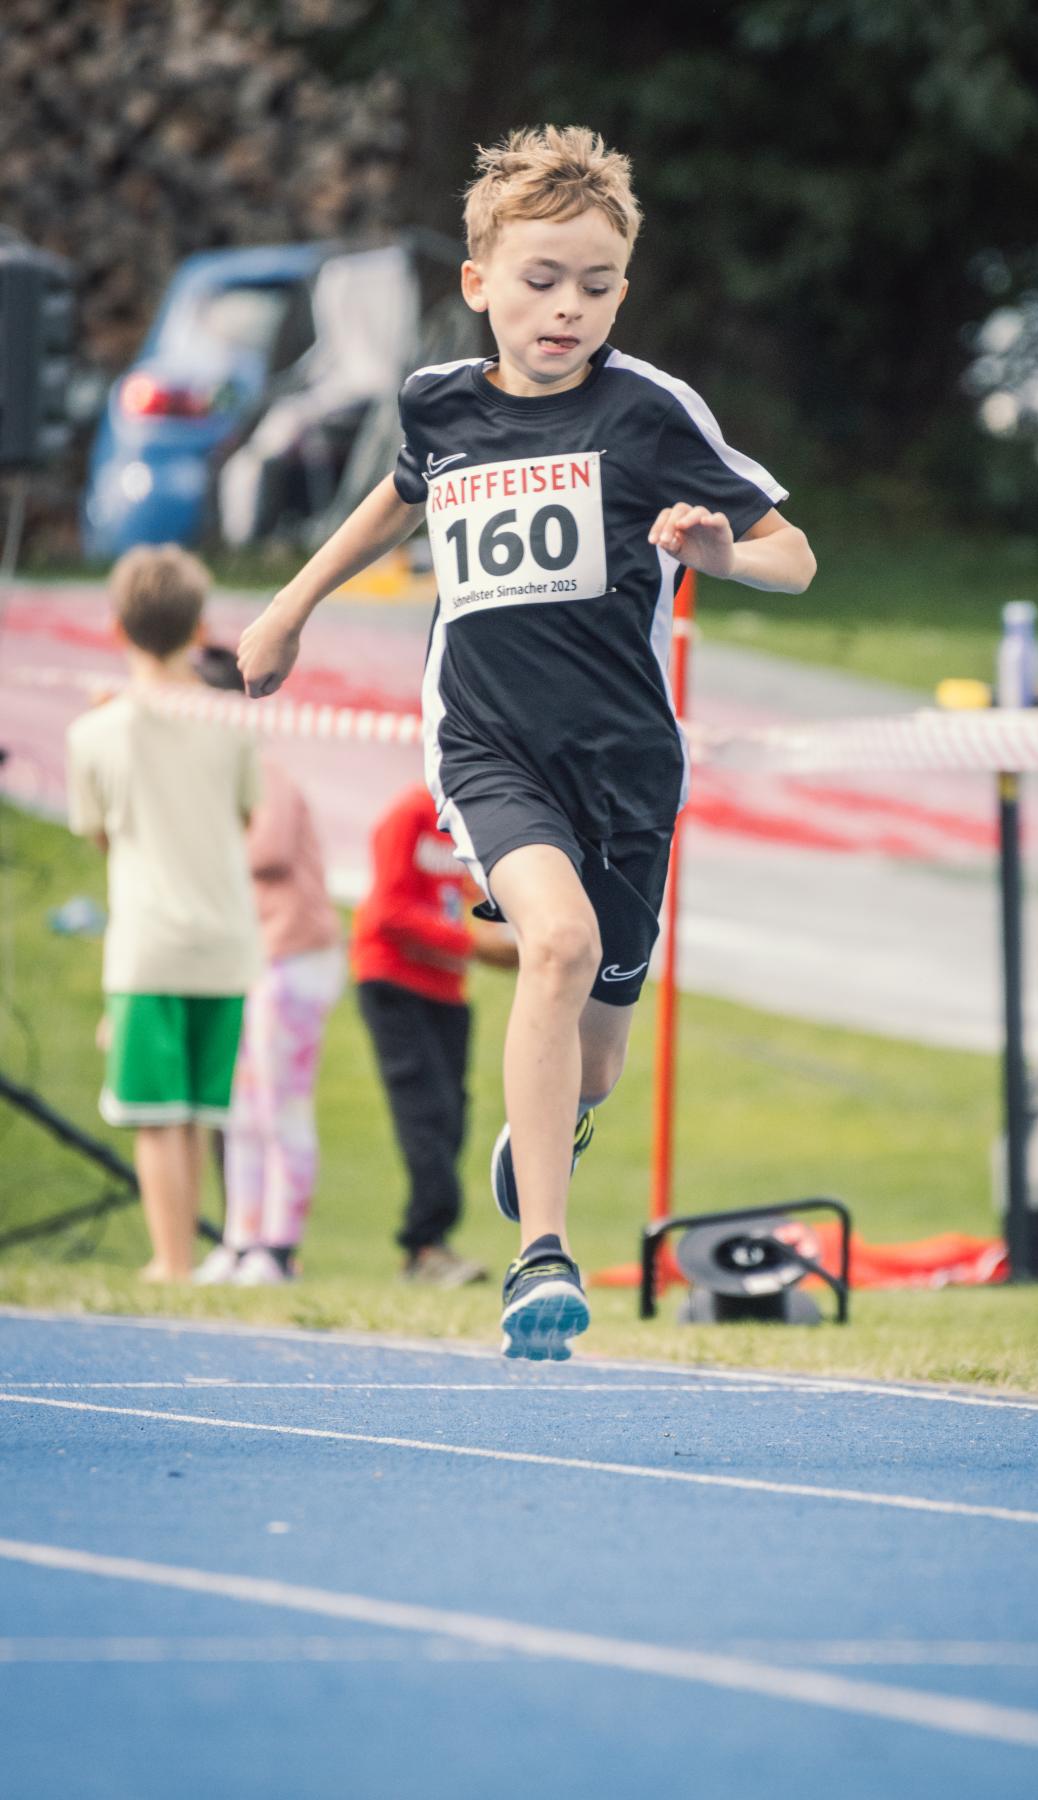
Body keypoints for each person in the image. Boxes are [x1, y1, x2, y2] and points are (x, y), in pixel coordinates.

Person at [238, 125, 817, 1358]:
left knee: (595, 1054)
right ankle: (540, 1258)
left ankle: (558, 1114)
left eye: (595, 287)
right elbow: (399, 496)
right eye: (541, 281)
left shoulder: (648, 412)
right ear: (477, 283)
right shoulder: (439, 404)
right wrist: (291, 605)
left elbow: (795, 554)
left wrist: (723, 555)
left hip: (627, 770)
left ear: (622, 291)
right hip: (487, 748)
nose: (567, 310)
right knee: (553, 943)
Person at [67, 547, 260, 1282]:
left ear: (116, 628)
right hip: (227, 940)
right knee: (200, 1112)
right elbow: (246, 817)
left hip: (148, 945)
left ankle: (171, 1261)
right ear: (200, 628)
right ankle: (184, 1256)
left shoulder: (93, 733)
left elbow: (98, 833)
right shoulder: (231, 722)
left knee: (156, 1114)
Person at [191, 647, 344, 1286]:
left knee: (281, 1106)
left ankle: (279, 1248)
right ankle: (240, 1239)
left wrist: (197, 841)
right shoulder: (221, 782)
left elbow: (270, 850)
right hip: (253, 961)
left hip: (293, 958)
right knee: (241, 1110)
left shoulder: (263, 773)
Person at [352, 782, 517, 1286]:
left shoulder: (480, 821)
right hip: (395, 981)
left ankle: (433, 1242)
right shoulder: (410, 814)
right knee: (427, 1111)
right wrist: (472, 943)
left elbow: (473, 899)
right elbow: (388, 911)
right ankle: (423, 1246)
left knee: (453, 1114)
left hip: (448, 987)